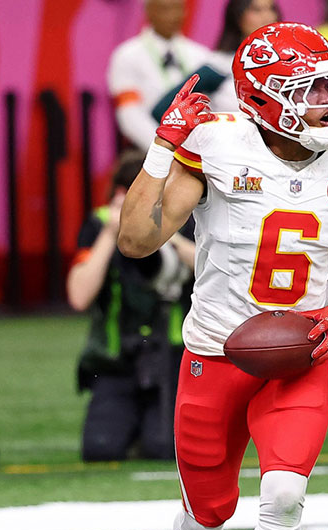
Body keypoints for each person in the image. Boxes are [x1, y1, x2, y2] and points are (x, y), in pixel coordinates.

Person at [118, 23, 328, 530]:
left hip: (298, 354)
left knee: (286, 496)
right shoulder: (217, 145)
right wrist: (162, 147)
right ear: (266, 99)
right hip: (215, 353)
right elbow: (135, 240)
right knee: (204, 516)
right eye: (311, 91)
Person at [67, 150, 194, 462]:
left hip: (171, 355)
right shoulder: (99, 225)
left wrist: (164, 234)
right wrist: (116, 231)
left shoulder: (185, 219)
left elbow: (209, 265)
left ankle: (148, 429)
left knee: (163, 449)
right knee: (101, 450)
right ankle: (131, 424)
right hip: (117, 359)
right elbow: (78, 296)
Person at [150, 0, 284, 120]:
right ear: (238, 16)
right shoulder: (220, 65)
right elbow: (163, 109)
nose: (268, 16)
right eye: (256, 10)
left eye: (271, 9)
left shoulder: (290, 63)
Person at [108, 0, 212, 150]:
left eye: (179, 9)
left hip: (197, 151)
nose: (174, 17)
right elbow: (129, 114)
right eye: (165, 9)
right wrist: (164, 148)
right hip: (147, 151)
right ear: (148, 12)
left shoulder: (202, 56)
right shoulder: (126, 56)